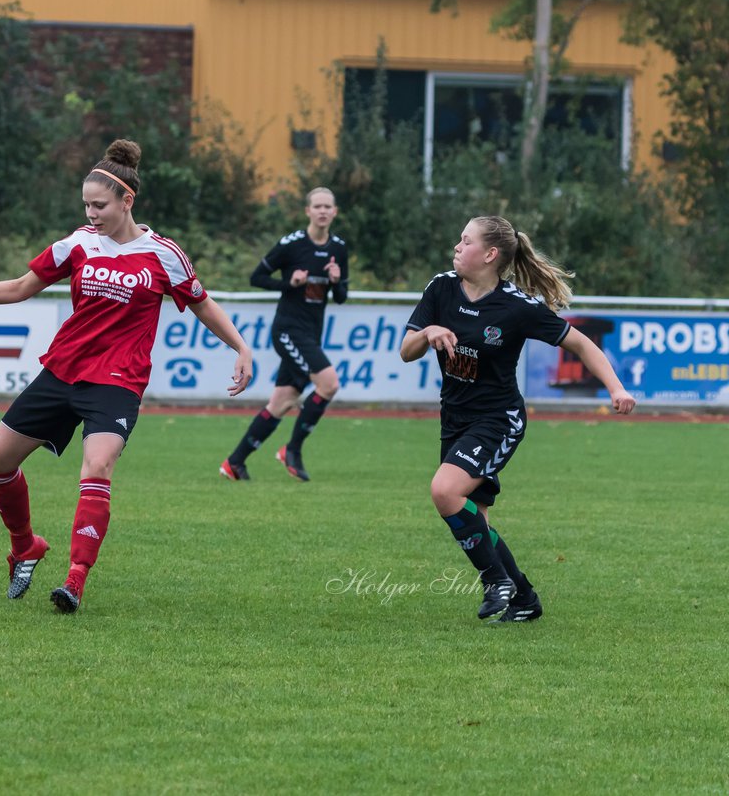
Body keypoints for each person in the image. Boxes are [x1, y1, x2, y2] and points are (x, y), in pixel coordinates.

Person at [0, 139, 254, 613]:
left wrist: (240, 347)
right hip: (63, 371)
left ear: (128, 200)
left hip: (117, 381)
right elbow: (24, 286)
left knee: (97, 468)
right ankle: (25, 546)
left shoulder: (163, 254)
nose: (91, 213)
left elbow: (202, 303)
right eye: (86, 204)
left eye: (99, 205)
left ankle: (75, 580)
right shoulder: (78, 243)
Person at [399, 215, 636, 622]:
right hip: (455, 418)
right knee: (476, 519)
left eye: (465, 240)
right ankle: (524, 598)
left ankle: (497, 583)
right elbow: (406, 350)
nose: (456, 246)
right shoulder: (441, 288)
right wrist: (429, 332)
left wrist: (616, 388)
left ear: (490, 254)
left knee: (444, 491)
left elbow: (580, 343)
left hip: (498, 419)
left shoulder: (517, 307)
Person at [220, 187, 348, 482]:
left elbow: (341, 297)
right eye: (317, 206)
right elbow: (257, 278)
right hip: (288, 330)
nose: (323, 211)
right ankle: (292, 450)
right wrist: (290, 283)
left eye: (328, 206)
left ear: (335, 211)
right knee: (328, 384)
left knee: (282, 401)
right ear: (308, 211)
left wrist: (337, 281)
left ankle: (234, 463)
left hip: (312, 333)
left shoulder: (338, 248)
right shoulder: (292, 245)